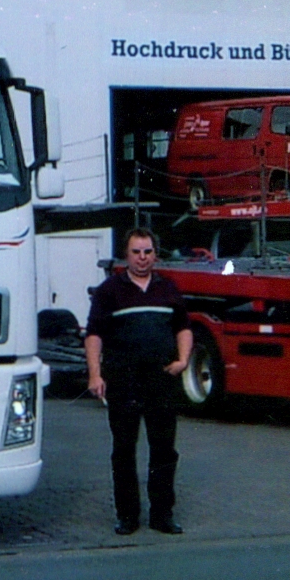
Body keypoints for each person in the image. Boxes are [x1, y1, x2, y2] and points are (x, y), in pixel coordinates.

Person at [85, 227, 193, 536]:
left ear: (155, 255)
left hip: (161, 379)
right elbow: (94, 334)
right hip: (123, 380)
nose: (142, 258)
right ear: (126, 255)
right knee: (123, 450)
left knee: (164, 450)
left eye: (147, 252)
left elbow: (183, 328)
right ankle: (127, 516)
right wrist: (95, 374)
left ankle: (162, 515)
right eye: (136, 252)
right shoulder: (109, 290)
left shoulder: (168, 288)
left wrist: (183, 360)